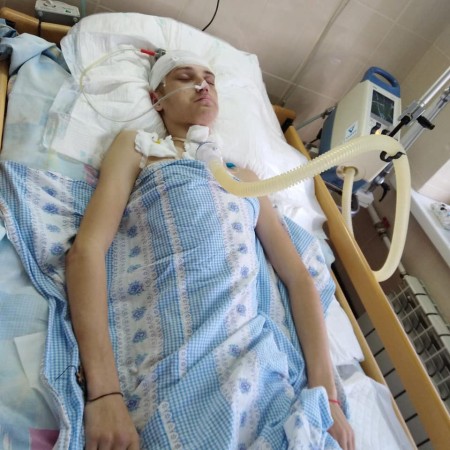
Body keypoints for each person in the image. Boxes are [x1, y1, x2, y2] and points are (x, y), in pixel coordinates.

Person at [65, 50, 355, 450]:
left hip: (253, 356)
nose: (203, 85)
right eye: (185, 77)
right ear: (156, 99)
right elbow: (88, 251)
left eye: (211, 80)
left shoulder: (245, 178)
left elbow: (298, 278)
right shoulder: (139, 148)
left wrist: (329, 398)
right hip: (173, 348)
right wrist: (105, 394)